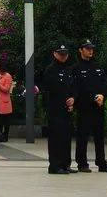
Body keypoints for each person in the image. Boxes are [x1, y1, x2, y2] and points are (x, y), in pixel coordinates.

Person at [72, 39, 107, 173]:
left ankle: (102, 163)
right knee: (82, 136)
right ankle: (82, 163)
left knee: (99, 136)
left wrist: (102, 95)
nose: (90, 51)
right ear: (81, 50)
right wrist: (93, 97)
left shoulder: (98, 66)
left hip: (98, 106)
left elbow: (105, 83)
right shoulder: (76, 68)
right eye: (87, 48)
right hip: (84, 107)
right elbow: (78, 88)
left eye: (91, 48)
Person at [42, 44, 76, 175]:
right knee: (56, 138)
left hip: (67, 110)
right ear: (55, 54)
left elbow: (71, 87)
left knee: (66, 138)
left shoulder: (68, 69)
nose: (63, 56)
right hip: (55, 110)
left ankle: (65, 164)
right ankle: (55, 166)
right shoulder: (50, 70)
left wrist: (72, 99)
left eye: (65, 54)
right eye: (61, 54)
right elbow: (49, 91)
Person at [0, 65, 14, 142]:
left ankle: (5, 136)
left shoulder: (8, 76)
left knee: (6, 121)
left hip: (4, 102)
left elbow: (6, 89)